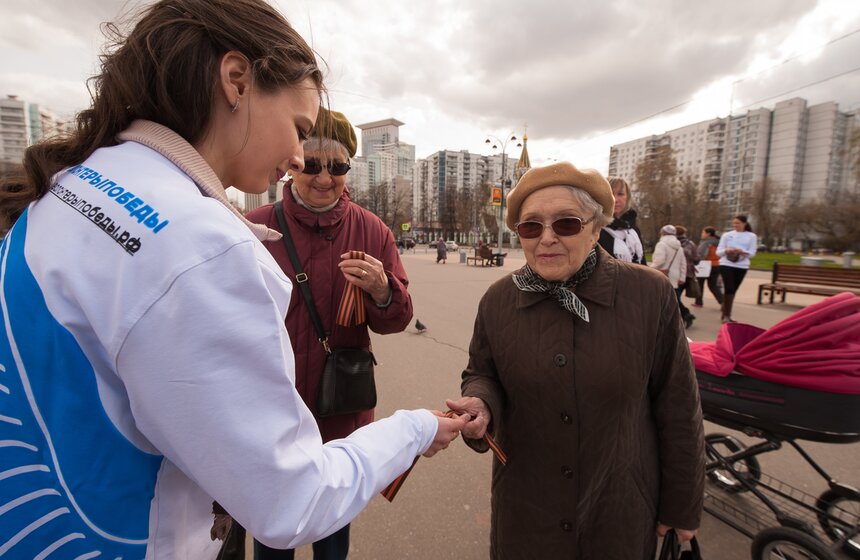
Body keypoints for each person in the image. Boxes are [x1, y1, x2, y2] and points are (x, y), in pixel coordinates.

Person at [0, 1, 466, 558]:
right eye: (298, 131)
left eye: (331, 162)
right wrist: (414, 429)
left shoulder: (77, 182)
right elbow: (292, 503)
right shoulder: (214, 242)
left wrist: (383, 291)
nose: (299, 157)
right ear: (237, 81)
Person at [446, 162, 704, 559]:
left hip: (618, 511)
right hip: (526, 512)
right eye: (531, 227)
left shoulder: (648, 295)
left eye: (565, 224)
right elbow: (482, 373)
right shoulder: (498, 300)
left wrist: (682, 507)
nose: (546, 238)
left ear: (595, 228)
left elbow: (679, 407)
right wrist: (480, 403)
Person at [245, 108, 413, 560]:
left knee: (333, 527)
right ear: (293, 163)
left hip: (341, 406)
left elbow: (396, 319)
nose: (324, 177)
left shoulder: (372, 230)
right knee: (274, 527)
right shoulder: (257, 226)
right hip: (272, 405)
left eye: (337, 166)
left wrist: (382, 290)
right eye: (312, 164)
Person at [717, 215, 758, 323]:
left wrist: (742, 251)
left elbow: (752, 253)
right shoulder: (727, 235)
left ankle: (725, 307)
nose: (735, 225)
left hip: (741, 265)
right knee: (729, 288)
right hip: (726, 264)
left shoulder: (751, 236)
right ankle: (727, 315)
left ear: (744, 223)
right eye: (734, 223)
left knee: (733, 289)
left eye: (738, 223)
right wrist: (727, 250)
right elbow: (719, 251)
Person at [597, 176, 646, 264]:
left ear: (627, 197)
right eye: (610, 194)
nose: (615, 199)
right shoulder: (596, 229)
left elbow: (642, 264)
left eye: (620, 194)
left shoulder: (634, 230)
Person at [651, 225, 690, 327]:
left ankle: (673, 319)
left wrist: (649, 268)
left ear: (662, 233)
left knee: (663, 299)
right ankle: (684, 315)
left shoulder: (662, 244)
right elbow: (683, 263)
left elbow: (659, 261)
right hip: (674, 277)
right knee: (673, 298)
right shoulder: (679, 247)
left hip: (662, 275)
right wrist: (682, 277)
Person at [675, 225, 699, 328]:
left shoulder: (673, 243)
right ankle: (683, 315)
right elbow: (697, 259)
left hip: (677, 274)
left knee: (674, 297)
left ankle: (685, 314)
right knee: (676, 297)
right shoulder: (691, 243)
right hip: (689, 274)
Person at [694, 226, 723, 308]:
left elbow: (701, 255)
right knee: (713, 285)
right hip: (716, 265)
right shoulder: (719, 242)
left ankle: (698, 302)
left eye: (703, 232)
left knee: (700, 284)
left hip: (705, 265)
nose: (702, 234)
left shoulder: (706, 243)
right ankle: (722, 301)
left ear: (708, 234)